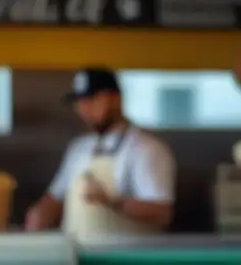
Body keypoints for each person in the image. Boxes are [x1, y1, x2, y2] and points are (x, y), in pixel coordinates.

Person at [25, 67, 176, 237]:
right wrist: (41, 214)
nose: (84, 109)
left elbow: (161, 213)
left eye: (92, 100)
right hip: (80, 257)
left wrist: (113, 202)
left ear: (115, 99)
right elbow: (55, 196)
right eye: (79, 102)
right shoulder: (79, 148)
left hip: (128, 256)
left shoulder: (147, 149)